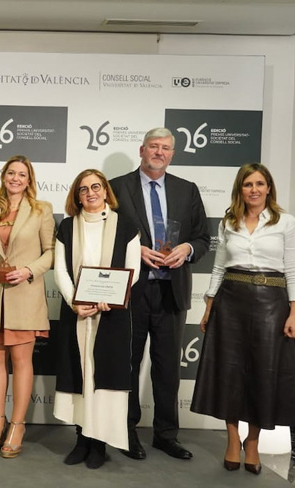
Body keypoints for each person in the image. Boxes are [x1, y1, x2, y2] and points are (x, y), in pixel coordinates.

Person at [191, 163, 295, 475]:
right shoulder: (229, 222)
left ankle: (252, 442)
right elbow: (218, 267)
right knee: (229, 372)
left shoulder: (286, 223)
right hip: (230, 302)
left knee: (261, 373)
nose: (254, 189)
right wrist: (209, 306)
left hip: (271, 303)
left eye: (260, 184)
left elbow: (293, 270)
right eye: (248, 184)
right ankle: (232, 439)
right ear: (240, 189)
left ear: (269, 188)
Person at [110, 127, 209, 460]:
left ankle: (166, 434)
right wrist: (134, 250)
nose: (159, 152)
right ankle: (126, 431)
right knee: (128, 364)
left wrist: (187, 249)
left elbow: (203, 239)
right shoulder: (117, 187)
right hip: (131, 290)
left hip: (172, 290)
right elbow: (103, 234)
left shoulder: (187, 190)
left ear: (172, 154)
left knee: (167, 368)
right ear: (141, 150)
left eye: (165, 148)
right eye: (154, 146)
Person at [53, 169, 140, 469]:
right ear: (76, 195)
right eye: (83, 189)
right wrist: (74, 302)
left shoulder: (126, 225)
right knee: (79, 374)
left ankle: (99, 444)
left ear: (105, 190)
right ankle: (81, 439)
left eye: (96, 186)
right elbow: (60, 270)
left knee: (102, 376)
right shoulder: (66, 226)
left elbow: (133, 268)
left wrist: (111, 297)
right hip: (77, 314)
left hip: (111, 315)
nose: (90, 192)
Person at [0, 155, 55, 458]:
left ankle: (18, 425)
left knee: (21, 361)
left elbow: (50, 252)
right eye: (11, 173)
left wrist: (29, 270)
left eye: (22, 174)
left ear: (29, 179)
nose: (16, 178)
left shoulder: (41, 210)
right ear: (3, 176)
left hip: (25, 296)